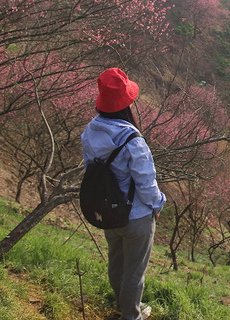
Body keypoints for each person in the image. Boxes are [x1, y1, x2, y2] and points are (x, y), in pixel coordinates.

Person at [81, 68, 165, 320]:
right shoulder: (132, 140)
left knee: (116, 262)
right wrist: (157, 205)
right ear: (126, 103)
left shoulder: (90, 131)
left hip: (108, 211)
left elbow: (90, 170)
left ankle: (121, 306)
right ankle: (131, 316)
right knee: (134, 271)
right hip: (136, 216)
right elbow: (146, 183)